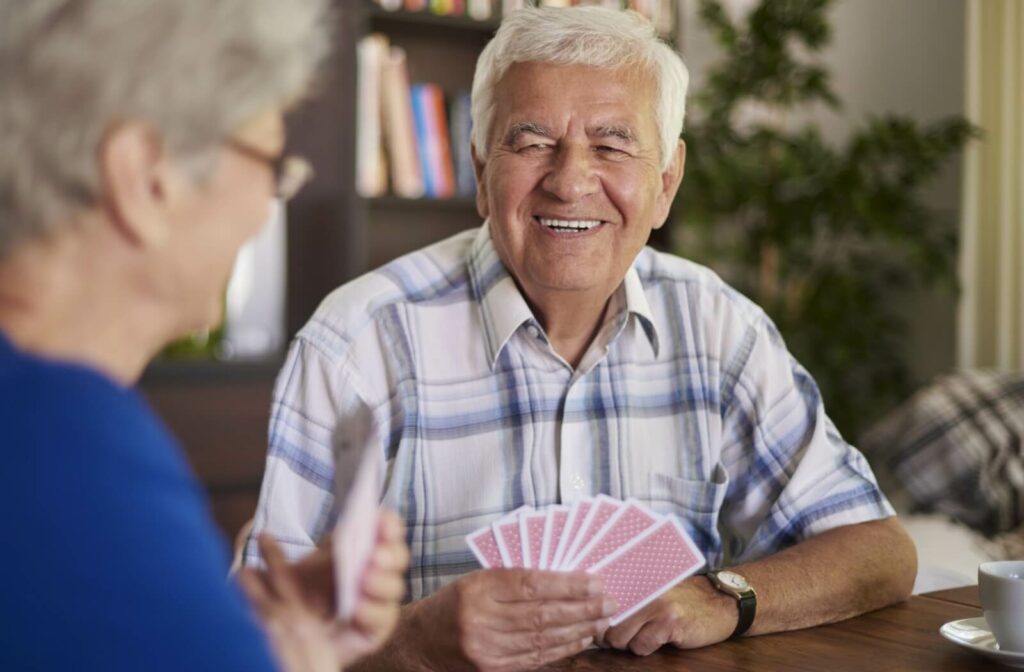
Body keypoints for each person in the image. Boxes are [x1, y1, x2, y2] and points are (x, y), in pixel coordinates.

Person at [246, 6, 917, 671]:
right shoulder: (356, 343)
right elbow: (244, 635)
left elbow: (880, 550)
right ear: (481, 173)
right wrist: (414, 642)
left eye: (612, 143)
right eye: (532, 142)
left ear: (665, 185)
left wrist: (726, 596)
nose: (569, 182)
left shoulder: (720, 329)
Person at [0, 1, 408, 671]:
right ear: (145, 177)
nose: (266, 205)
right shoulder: (69, 444)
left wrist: (241, 639)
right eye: (272, 164)